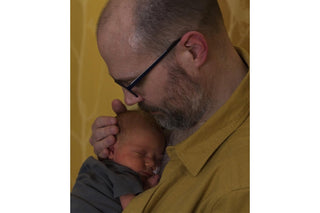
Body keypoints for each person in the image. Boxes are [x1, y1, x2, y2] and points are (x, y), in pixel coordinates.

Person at [91, 0, 249, 212]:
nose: (129, 100)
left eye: (134, 83)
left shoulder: (237, 191)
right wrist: (117, 156)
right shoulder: (181, 105)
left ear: (193, 51)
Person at [71, 111, 166, 212]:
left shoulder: (99, 170)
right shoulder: (124, 174)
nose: (152, 164)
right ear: (111, 150)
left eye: (157, 159)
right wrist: (148, 191)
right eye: (141, 154)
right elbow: (133, 209)